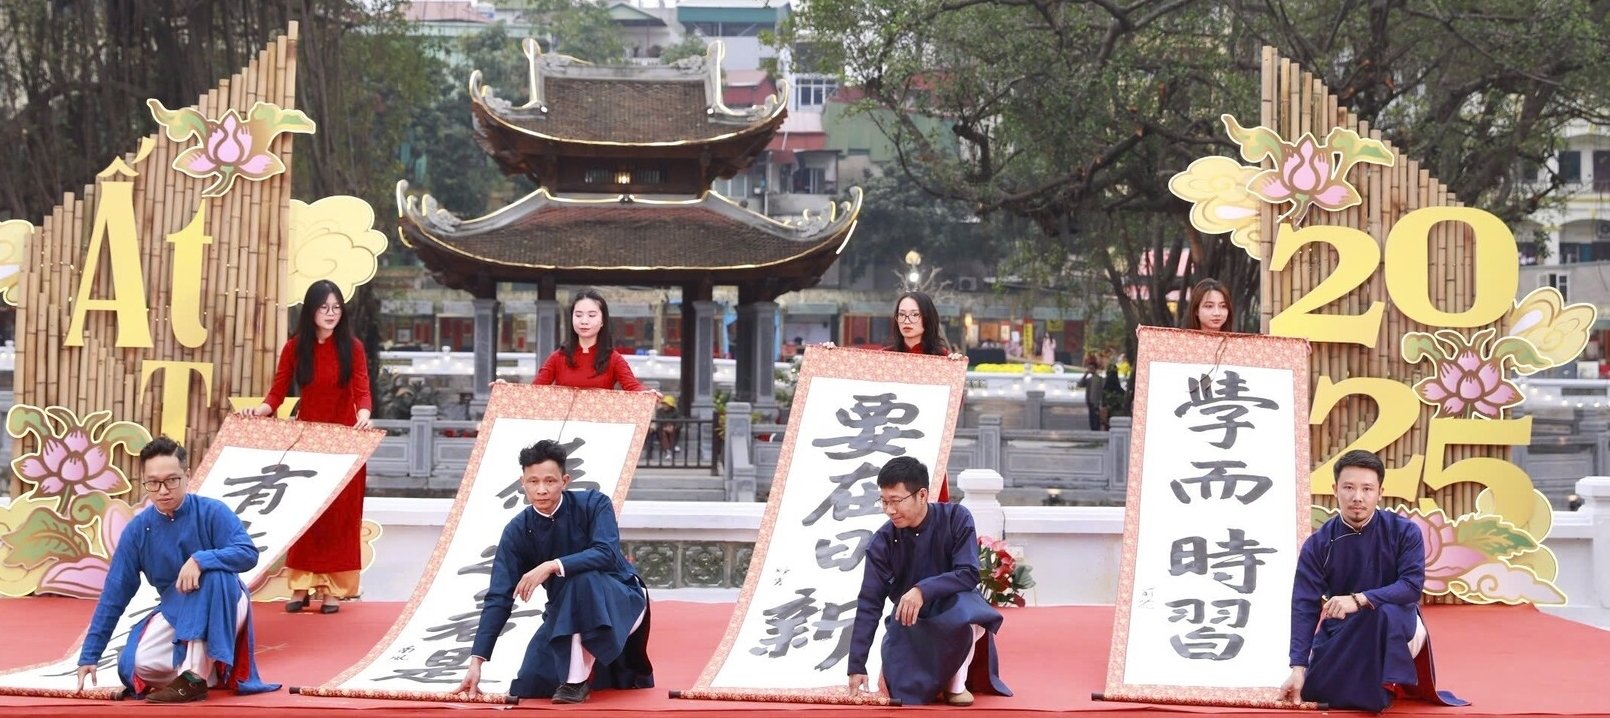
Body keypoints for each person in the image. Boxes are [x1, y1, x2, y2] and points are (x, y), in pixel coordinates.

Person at [75, 437, 278, 702]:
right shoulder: (138, 530)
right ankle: (206, 673)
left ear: (187, 475)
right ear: (144, 482)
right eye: (153, 483)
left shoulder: (212, 511)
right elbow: (114, 594)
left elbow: (248, 554)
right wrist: (90, 654)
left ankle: (193, 678)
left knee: (213, 576)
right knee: (138, 664)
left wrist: (201, 560)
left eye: (172, 480)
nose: (162, 490)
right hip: (176, 610)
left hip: (226, 601)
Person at [457, 440, 652, 703]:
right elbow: (499, 596)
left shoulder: (595, 504)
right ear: (522, 483)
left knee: (580, 580)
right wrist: (477, 661)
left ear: (565, 480)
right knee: (530, 685)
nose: (542, 490)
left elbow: (606, 553)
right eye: (533, 482)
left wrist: (551, 565)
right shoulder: (517, 530)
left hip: (622, 597)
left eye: (550, 481)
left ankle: (576, 683)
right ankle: (586, 674)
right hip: (566, 611)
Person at [1280, 449, 1466, 712]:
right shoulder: (1318, 544)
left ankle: (1379, 689)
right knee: (1312, 689)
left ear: (1380, 491)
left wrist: (1360, 599)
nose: (1358, 497)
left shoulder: (1404, 532)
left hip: (1399, 623)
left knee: (1378, 615)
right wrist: (1298, 667)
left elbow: (1411, 587)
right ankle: (1364, 686)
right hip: (1342, 628)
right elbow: (1304, 605)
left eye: (1367, 489)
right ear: (1335, 489)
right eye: (1349, 487)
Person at [249, 279, 373, 614]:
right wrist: (261, 410)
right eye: (324, 307)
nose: (331, 313)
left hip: (345, 441)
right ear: (311, 310)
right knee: (306, 515)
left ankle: (332, 590)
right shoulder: (295, 347)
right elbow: (277, 392)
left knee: (338, 517)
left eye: (336, 307)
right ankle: (301, 586)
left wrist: (364, 413)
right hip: (308, 441)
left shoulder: (353, 347)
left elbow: (362, 388)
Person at [847, 457, 1010, 706]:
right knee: (903, 695)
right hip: (911, 619)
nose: (889, 510)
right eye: (884, 501)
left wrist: (922, 590)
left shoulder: (956, 517)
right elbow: (870, 602)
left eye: (896, 501)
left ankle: (956, 684)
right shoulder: (882, 542)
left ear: (922, 495)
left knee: (969, 611)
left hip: (955, 608)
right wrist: (856, 664)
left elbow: (968, 572)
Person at [534, 289, 646, 390]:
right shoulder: (558, 357)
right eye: (578, 315)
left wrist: (648, 394)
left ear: (602, 321)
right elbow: (535, 390)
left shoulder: (613, 359)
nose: (584, 321)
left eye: (591, 315)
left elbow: (633, 387)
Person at [887, 291, 951, 355]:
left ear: (927, 318)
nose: (906, 321)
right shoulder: (885, 356)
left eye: (915, 315)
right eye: (901, 314)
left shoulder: (942, 357)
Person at [1077, 353, 1104, 431]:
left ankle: (1096, 430)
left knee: (1096, 418)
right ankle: (1094, 430)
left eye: (1092, 368)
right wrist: (1085, 374)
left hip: (1096, 402)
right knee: (1092, 418)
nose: (1090, 369)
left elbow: (1100, 391)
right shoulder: (1088, 379)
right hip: (1090, 402)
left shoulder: (1099, 379)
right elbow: (1080, 384)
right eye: (1089, 368)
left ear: (1095, 369)